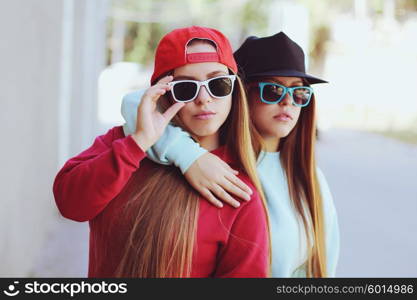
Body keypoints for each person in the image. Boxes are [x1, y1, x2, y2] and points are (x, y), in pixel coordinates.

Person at [53, 26, 270, 278]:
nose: (203, 98)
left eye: (218, 84)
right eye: (185, 88)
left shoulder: (235, 189)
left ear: (234, 90)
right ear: (162, 93)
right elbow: (70, 204)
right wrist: (139, 142)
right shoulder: (125, 143)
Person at [121, 32, 340, 277]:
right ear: (238, 91)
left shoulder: (310, 178)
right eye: (273, 90)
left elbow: (322, 266)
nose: (287, 102)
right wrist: (189, 155)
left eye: (299, 93)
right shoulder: (214, 157)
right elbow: (134, 102)